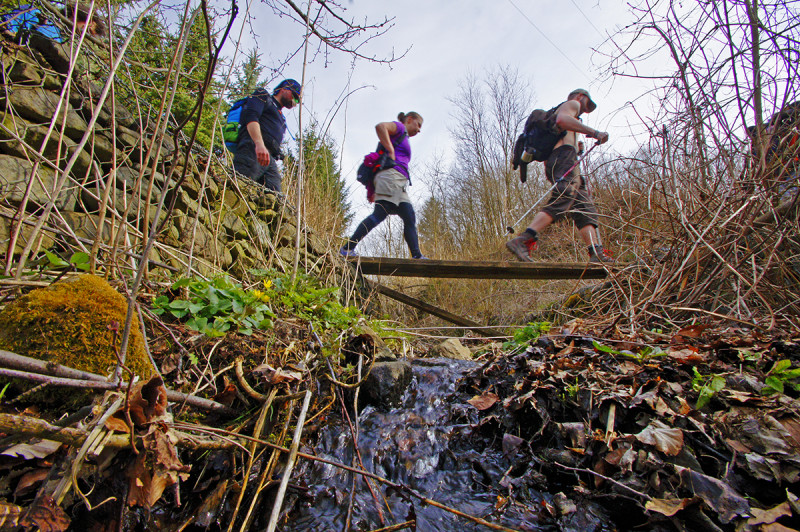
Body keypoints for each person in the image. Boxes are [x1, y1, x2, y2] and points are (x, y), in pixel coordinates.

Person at [506, 88, 612, 263]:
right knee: (564, 196)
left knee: (584, 207)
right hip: (563, 159)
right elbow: (562, 120)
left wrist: (576, 147)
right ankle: (523, 239)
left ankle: (596, 253)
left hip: (563, 160)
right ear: (580, 96)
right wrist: (595, 133)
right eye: (587, 104)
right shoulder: (573, 104)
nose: (585, 109)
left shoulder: (569, 118)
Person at [340, 112, 427, 259]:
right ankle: (347, 248)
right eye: (418, 124)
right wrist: (391, 150)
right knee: (380, 214)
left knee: (409, 215)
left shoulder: (404, 135)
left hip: (398, 182)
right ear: (409, 119)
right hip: (391, 177)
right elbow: (380, 127)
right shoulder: (400, 128)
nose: (419, 130)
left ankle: (417, 256)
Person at [233, 79, 301, 193]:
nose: (294, 102)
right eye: (294, 96)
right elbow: (251, 117)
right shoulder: (263, 96)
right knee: (239, 185)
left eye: (297, 101)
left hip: (269, 158)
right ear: (284, 89)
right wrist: (258, 143)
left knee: (274, 199)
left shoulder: (281, 116)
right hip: (252, 147)